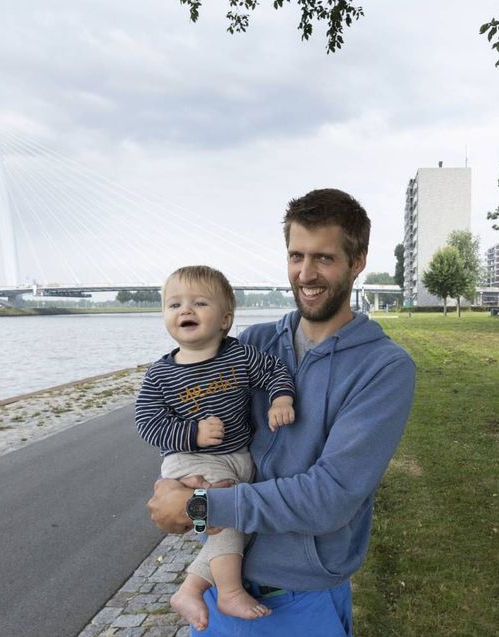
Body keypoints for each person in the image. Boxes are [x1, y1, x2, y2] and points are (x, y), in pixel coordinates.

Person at [148, 188, 416, 636]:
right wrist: (174, 485)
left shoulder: (384, 368)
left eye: (324, 258)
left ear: (358, 261)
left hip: (301, 597)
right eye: (296, 255)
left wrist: (199, 506)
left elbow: (329, 498)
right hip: (220, 582)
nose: (305, 274)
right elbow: (194, 428)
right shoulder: (251, 344)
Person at [136, 265, 297, 624]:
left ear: (225, 319)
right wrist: (191, 433)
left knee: (240, 523)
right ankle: (228, 592)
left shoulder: (238, 356)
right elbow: (147, 424)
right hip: (191, 460)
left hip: (238, 458)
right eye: (174, 304)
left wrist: (281, 399)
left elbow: (275, 371)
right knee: (224, 519)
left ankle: (190, 589)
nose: (185, 310)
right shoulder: (161, 374)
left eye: (198, 303)